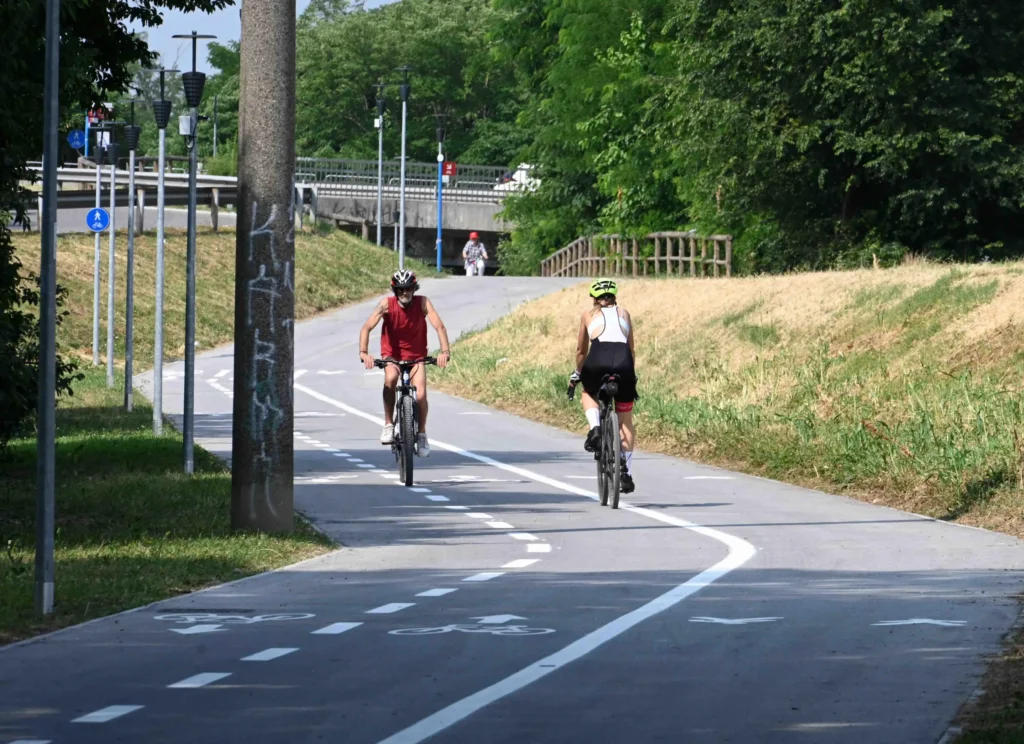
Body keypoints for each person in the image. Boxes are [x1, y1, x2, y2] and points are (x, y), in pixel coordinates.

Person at [359, 269, 451, 457]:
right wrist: (364, 353)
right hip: (392, 355)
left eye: (408, 289)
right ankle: (388, 424)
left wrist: (445, 352)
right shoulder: (386, 304)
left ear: (414, 289)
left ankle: (422, 433)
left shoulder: (423, 303)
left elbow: (439, 326)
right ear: (395, 290)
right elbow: (367, 327)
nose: (405, 293)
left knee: (421, 395)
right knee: (391, 378)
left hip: (417, 356)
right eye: (400, 290)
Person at [569, 278, 638, 493]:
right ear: (615, 297)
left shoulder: (588, 315)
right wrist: (629, 375)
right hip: (624, 362)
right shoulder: (625, 313)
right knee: (625, 419)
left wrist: (577, 373)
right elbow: (631, 349)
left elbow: (581, 351)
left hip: (598, 358)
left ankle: (596, 428)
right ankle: (624, 470)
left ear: (594, 298)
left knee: (588, 391)